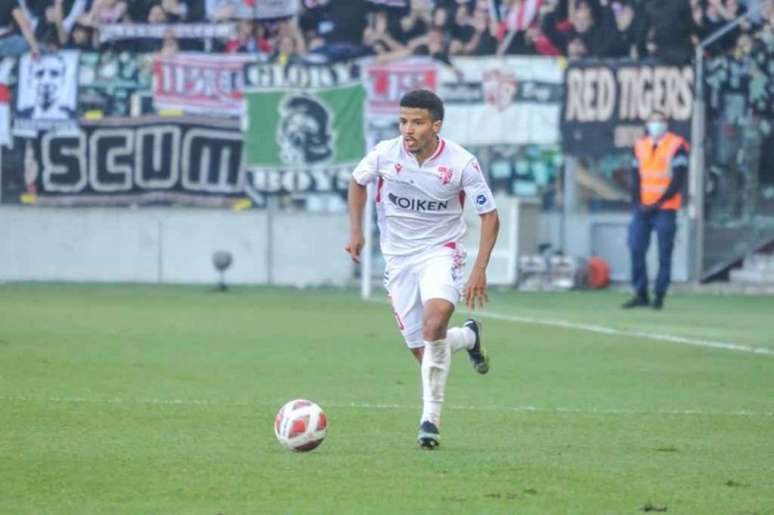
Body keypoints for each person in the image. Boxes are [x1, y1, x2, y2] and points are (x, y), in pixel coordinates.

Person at [345, 89, 500, 449]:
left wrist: (479, 268)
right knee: (426, 351)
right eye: (403, 121)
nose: (408, 129)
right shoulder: (385, 154)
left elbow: (490, 216)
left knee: (434, 325)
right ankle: (469, 337)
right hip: (397, 260)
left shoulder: (461, 163)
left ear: (436, 125)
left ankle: (429, 421)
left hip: (440, 253)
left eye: (416, 122)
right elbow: (357, 182)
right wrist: (355, 230)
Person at [622, 110, 689, 311]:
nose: (656, 124)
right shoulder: (640, 146)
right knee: (636, 248)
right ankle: (640, 293)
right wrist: (637, 203)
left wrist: (657, 203)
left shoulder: (677, 145)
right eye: (653, 121)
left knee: (664, 253)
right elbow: (636, 177)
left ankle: (659, 295)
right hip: (642, 209)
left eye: (660, 121)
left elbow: (678, 180)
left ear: (666, 124)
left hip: (665, 209)